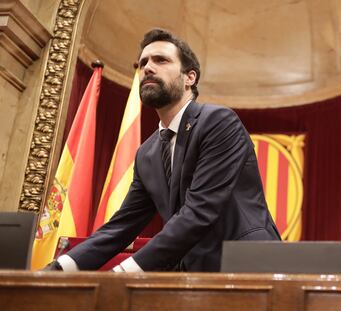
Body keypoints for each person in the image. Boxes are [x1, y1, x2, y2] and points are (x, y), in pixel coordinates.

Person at [46, 28, 281, 272]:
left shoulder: (219, 122)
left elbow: (199, 212)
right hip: (190, 278)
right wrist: (58, 268)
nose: (147, 67)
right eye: (143, 62)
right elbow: (120, 227)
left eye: (161, 60)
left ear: (190, 78)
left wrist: (122, 273)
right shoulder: (146, 153)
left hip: (247, 268)